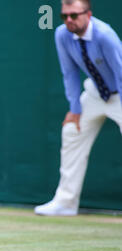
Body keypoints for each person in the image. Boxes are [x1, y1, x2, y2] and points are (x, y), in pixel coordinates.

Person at [35, 0, 122, 216]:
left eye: (74, 15)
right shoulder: (62, 35)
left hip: (119, 93)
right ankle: (65, 202)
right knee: (71, 131)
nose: (69, 20)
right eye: (65, 16)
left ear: (88, 14)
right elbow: (70, 72)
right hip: (95, 92)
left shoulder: (105, 35)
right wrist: (75, 108)